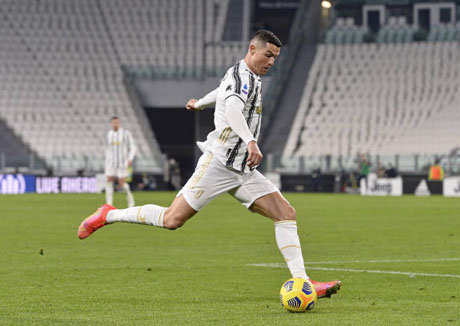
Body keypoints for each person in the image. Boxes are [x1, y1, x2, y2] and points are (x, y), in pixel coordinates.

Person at [78, 30, 341, 298]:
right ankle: (109, 214)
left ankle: (303, 283)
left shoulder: (244, 75)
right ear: (252, 49)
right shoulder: (242, 78)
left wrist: (201, 102)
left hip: (243, 169)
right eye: (267, 55)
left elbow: (223, 92)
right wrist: (251, 141)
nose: (271, 61)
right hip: (219, 164)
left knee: (286, 214)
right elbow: (233, 109)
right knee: (172, 220)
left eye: (275, 57)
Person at [104, 116, 137, 208]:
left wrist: (130, 158)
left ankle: (130, 201)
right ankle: (109, 204)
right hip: (110, 163)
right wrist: (107, 160)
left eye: (117, 123)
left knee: (122, 184)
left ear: (119, 123)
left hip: (122, 163)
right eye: (114, 123)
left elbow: (133, 147)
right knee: (109, 181)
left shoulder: (125, 134)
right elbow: (107, 149)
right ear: (111, 124)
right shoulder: (108, 134)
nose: (115, 124)